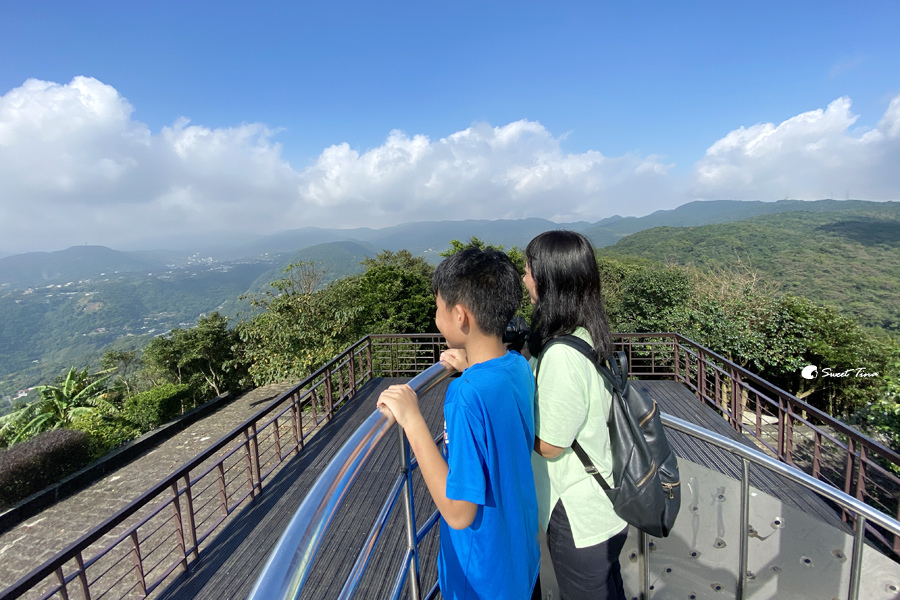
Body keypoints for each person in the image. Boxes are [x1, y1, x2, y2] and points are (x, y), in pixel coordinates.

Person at [377, 247, 541, 600]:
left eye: (438, 308)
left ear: (460, 316)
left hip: (480, 576)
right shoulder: (517, 367)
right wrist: (471, 365)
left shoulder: (466, 394)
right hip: (519, 559)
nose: (436, 317)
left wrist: (413, 420)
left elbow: (458, 513)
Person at [525, 230, 629, 600]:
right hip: (601, 500)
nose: (525, 280)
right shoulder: (584, 334)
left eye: (529, 271)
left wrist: (507, 432)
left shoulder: (562, 356)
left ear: (550, 280)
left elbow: (552, 445)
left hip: (578, 513)